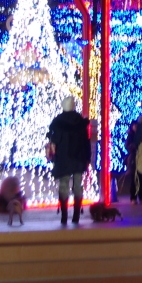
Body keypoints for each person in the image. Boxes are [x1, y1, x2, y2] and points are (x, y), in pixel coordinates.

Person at [48, 95, 91, 225]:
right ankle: (76, 215)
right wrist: (87, 158)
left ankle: (64, 216)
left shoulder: (58, 123)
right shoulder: (80, 122)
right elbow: (86, 142)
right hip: (79, 158)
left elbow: (54, 141)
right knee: (78, 185)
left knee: (64, 185)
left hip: (63, 159)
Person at [125, 117, 142, 203]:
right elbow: (127, 146)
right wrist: (134, 147)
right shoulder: (130, 136)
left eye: (137, 126)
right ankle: (133, 198)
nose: (135, 127)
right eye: (134, 126)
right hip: (133, 160)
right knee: (134, 180)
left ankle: (141, 197)